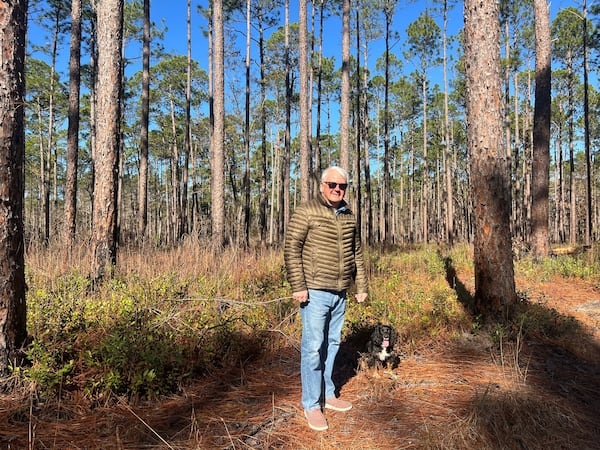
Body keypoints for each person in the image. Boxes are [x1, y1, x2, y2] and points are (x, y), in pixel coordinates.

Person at [284, 166, 368, 431]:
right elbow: (291, 249)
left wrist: (361, 286)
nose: (336, 189)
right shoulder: (307, 210)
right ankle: (311, 404)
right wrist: (299, 285)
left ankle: (328, 394)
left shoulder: (348, 214)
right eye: (332, 184)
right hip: (315, 292)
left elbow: (357, 253)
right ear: (322, 185)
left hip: (340, 291)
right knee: (312, 348)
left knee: (332, 344)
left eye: (342, 186)